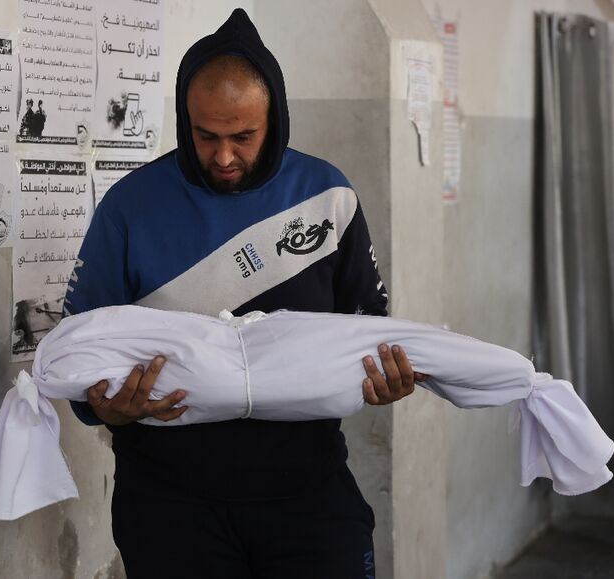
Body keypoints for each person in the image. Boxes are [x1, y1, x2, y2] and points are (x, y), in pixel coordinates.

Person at [64, 9, 422, 578]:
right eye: (206, 136)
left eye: (243, 137)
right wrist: (98, 403)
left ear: (274, 119)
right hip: (170, 504)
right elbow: (77, 342)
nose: (224, 157)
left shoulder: (327, 198)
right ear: (185, 120)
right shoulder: (130, 207)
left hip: (308, 497)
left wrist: (388, 376)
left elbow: (370, 324)